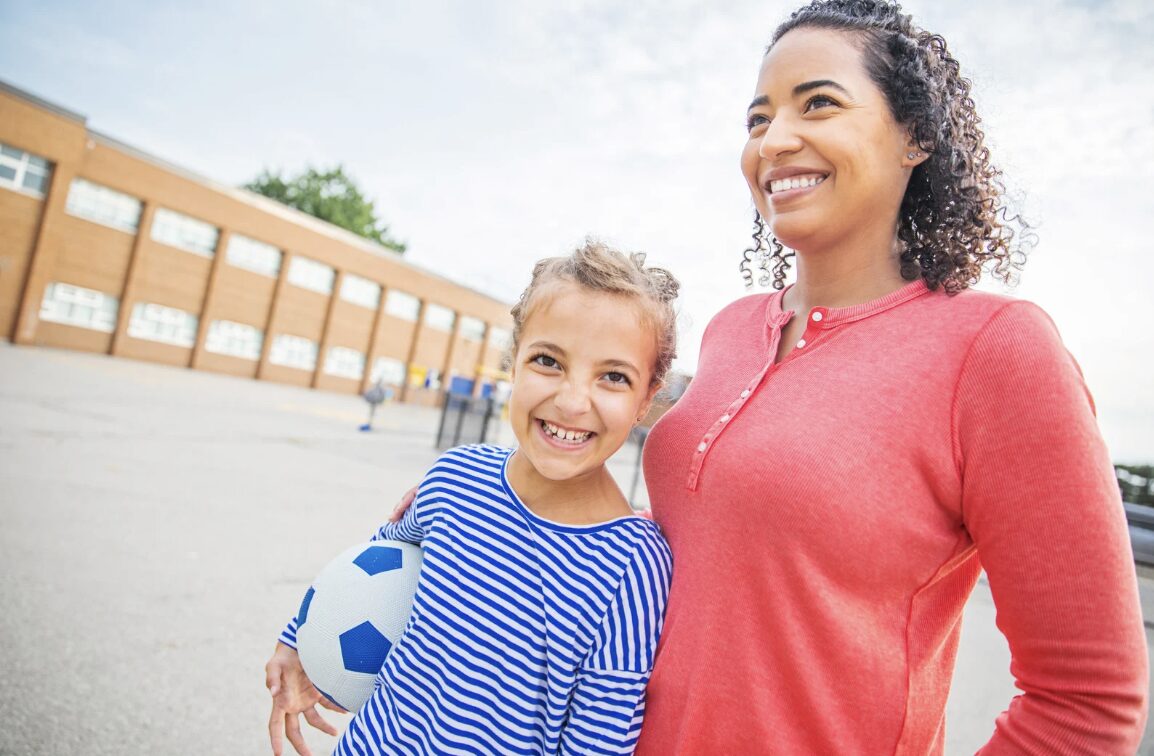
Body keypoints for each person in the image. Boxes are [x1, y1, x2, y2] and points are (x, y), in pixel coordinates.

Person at [632, 1, 1148, 753]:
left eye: (820, 104)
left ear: (915, 137)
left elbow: (1089, 701)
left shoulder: (997, 350)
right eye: (757, 118)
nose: (775, 140)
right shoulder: (730, 328)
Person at [265, 240, 679, 755]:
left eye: (613, 376)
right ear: (514, 361)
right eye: (548, 361)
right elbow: (367, 571)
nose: (573, 401)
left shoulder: (632, 567)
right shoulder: (454, 477)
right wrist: (299, 641)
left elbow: (597, 743)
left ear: (647, 398)